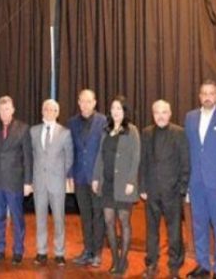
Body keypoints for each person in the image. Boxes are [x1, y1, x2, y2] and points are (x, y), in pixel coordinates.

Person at [184, 80, 216, 279]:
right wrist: (186, 182)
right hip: (196, 184)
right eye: (204, 93)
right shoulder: (190, 117)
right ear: (199, 96)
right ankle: (203, 265)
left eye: (212, 93)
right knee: (199, 226)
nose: (208, 97)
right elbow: (187, 151)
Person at [139, 100, 189, 279]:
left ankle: (174, 267)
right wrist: (142, 186)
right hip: (151, 191)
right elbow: (143, 161)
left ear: (170, 113)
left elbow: (185, 162)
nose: (160, 116)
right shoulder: (146, 133)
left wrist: (182, 188)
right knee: (151, 231)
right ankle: (151, 263)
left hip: (172, 192)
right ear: (153, 114)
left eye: (164, 112)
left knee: (174, 232)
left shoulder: (179, 133)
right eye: (157, 112)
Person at [92, 95, 140, 276]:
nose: (116, 111)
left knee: (124, 222)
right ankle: (115, 259)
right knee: (109, 222)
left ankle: (123, 260)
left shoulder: (132, 130)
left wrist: (131, 181)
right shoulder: (106, 130)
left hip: (124, 185)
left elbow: (136, 157)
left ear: (124, 111)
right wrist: (96, 177)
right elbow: (100, 156)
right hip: (107, 184)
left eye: (119, 108)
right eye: (113, 108)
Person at [0, 95, 32, 265]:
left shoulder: (23, 129)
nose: (4, 113)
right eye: (1, 110)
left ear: (13, 110)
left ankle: (18, 251)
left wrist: (28, 182)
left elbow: (28, 157)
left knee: (17, 218)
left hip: (15, 182)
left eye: (7, 109)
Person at [67, 89, 108, 268]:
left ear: (95, 102)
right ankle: (87, 250)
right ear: (78, 102)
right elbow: (70, 150)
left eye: (88, 101)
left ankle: (97, 252)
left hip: (96, 177)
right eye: (82, 101)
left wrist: (99, 175)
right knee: (85, 216)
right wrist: (70, 174)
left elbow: (104, 150)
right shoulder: (72, 122)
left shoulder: (103, 121)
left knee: (98, 215)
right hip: (79, 177)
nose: (85, 104)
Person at [29, 99, 73, 267]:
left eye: (53, 109)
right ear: (42, 111)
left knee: (59, 219)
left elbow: (69, 158)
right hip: (39, 183)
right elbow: (31, 156)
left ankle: (59, 253)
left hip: (57, 183)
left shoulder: (65, 133)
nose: (49, 112)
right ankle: (41, 252)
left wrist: (60, 175)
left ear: (57, 113)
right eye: (46, 109)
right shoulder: (33, 131)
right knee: (40, 219)